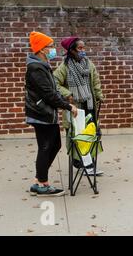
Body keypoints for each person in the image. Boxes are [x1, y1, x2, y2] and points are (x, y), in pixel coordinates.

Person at [25, 31, 78, 197]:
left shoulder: (42, 65)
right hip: (41, 114)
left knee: (55, 145)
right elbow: (48, 94)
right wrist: (68, 106)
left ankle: (39, 180)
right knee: (46, 147)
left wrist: (63, 99)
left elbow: (52, 91)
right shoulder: (35, 68)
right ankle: (42, 184)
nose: (53, 49)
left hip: (47, 114)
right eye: (50, 46)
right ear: (41, 49)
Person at [53, 36, 105, 176]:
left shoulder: (89, 64)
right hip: (75, 107)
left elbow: (95, 81)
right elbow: (55, 84)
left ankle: (89, 164)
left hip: (89, 105)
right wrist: (67, 93)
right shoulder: (64, 67)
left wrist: (99, 95)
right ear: (72, 50)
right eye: (80, 48)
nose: (83, 51)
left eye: (84, 48)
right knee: (77, 135)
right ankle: (81, 163)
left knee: (90, 133)